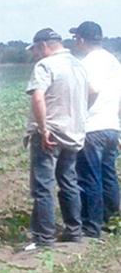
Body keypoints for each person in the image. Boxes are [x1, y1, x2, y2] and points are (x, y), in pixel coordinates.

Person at [24, 28, 92, 251]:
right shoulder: (78, 65)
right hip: (73, 133)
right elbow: (93, 92)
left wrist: (43, 129)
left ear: (44, 45)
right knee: (69, 182)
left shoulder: (45, 65)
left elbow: (38, 97)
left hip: (51, 133)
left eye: (36, 49)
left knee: (43, 186)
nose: (35, 54)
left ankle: (45, 237)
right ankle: (74, 231)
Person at [71, 21, 121, 236]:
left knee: (89, 176)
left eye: (76, 38)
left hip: (93, 127)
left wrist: (80, 108)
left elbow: (92, 88)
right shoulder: (113, 60)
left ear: (82, 39)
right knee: (108, 174)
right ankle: (113, 220)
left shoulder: (88, 62)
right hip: (111, 125)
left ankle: (92, 225)